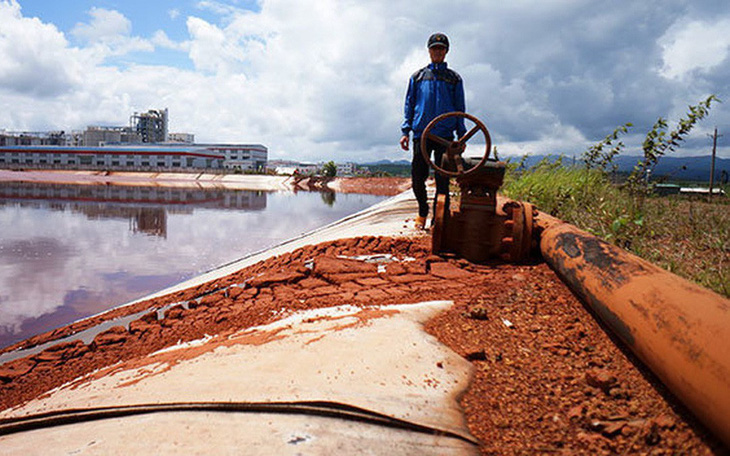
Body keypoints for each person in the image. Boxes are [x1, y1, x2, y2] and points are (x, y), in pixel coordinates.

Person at [400, 32, 466, 230]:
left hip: (445, 136)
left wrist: (461, 134)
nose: (437, 51)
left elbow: (459, 107)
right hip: (422, 135)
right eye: (434, 48)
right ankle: (422, 212)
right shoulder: (418, 77)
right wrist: (405, 131)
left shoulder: (453, 78)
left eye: (441, 48)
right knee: (417, 178)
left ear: (446, 51)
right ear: (429, 51)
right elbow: (409, 104)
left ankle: (439, 218)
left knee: (442, 179)